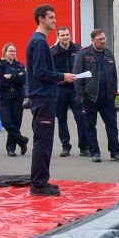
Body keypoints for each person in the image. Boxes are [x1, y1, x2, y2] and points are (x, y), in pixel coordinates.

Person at [25, 4, 75, 196]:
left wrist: (60, 77)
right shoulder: (39, 42)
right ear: (41, 19)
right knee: (43, 142)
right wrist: (63, 76)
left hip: (44, 97)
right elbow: (40, 72)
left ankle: (41, 180)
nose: (55, 21)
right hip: (43, 98)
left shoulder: (39, 41)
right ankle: (38, 184)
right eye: (51, 17)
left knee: (44, 141)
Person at [73, 28, 119, 163]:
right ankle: (95, 152)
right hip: (90, 97)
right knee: (90, 126)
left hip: (107, 98)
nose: (102, 41)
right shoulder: (84, 54)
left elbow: (114, 76)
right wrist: (81, 95)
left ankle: (115, 152)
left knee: (112, 125)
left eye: (103, 38)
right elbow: (77, 76)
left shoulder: (109, 54)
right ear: (92, 40)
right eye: (99, 39)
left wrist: (113, 93)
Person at [51, 26, 88, 157]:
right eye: (62, 35)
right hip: (60, 89)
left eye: (67, 35)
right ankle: (65, 146)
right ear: (58, 37)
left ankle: (84, 147)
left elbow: (85, 67)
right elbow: (51, 72)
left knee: (81, 118)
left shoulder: (78, 49)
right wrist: (62, 79)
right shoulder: (53, 52)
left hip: (75, 90)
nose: (65, 37)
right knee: (62, 119)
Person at [0, 43, 28, 157]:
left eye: (14, 51)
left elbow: (23, 79)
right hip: (3, 97)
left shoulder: (20, 65)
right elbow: (1, 81)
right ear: (5, 52)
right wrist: (16, 76)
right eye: (10, 51)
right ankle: (22, 140)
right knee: (6, 122)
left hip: (17, 97)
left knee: (16, 123)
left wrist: (11, 76)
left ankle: (11, 148)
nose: (13, 53)